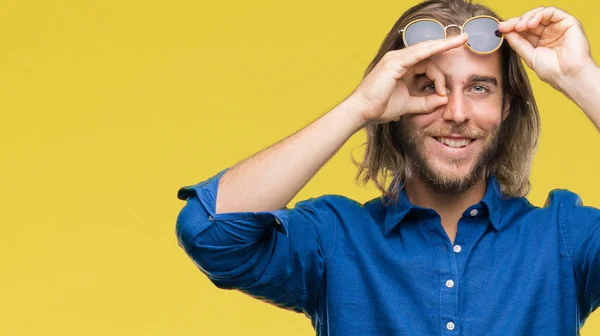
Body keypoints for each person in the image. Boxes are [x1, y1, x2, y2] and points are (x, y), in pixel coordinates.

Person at [175, 0, 600, 334]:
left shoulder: (562, 238)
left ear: (506, 107)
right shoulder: (337, 237)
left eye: (478, 88)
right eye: (428, 86)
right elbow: (209, 232)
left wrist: (580, 76)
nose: (455, 111)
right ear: (395, 101)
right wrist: (358, 108)